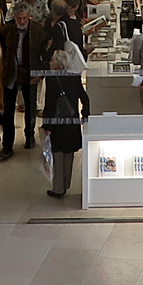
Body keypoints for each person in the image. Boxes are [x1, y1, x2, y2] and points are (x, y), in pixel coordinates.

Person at [43, 41, 92, 199]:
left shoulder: (52, 80)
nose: (50, 63)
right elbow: (85, 98)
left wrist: (47, 124)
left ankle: (58, 188)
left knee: (58, 154)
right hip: (72, 121)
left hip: (58, 123)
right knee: (69, 154)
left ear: (57, 65)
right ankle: (66, 184)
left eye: (52, 61)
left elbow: (50, 104)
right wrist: (85, 115)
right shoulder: (74, 78)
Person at [0, 1, 43, 157]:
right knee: (8, 111)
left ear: (28, 17)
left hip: (30, 74)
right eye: (19, 18)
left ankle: (29, 136)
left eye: (24, 18)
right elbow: (3, 45)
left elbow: (44, 53)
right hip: (11, 74)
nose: (22, 21)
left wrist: (40, 73)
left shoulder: (37, 31)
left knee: (30, 108)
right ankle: (7, 145)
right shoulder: (7, 30)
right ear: (15, 17)